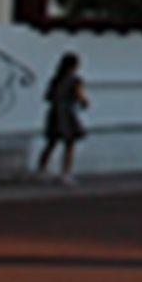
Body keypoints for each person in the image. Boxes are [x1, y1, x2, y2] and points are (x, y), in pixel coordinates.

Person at [37, 53, 88, 184]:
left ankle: (42, 169)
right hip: (67, 113)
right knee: (69, 144)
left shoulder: (55, 79)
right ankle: (66, 173)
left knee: (51, 142)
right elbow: (80, 97)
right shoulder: (75, 80)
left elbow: (47, 96)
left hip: (54, 112)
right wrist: (84, 103)